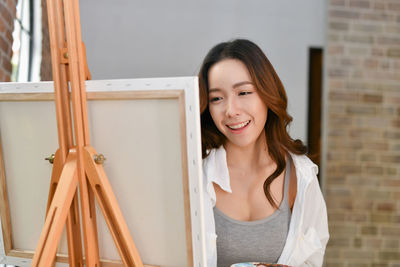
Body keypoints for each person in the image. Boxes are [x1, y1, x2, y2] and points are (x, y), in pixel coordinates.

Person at [198, 39, 329, 267]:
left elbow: (313, 260)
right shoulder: (196, 174)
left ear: (267, 94)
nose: (231, 110)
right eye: (217, 98)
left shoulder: (301, 176)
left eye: (244, 92)